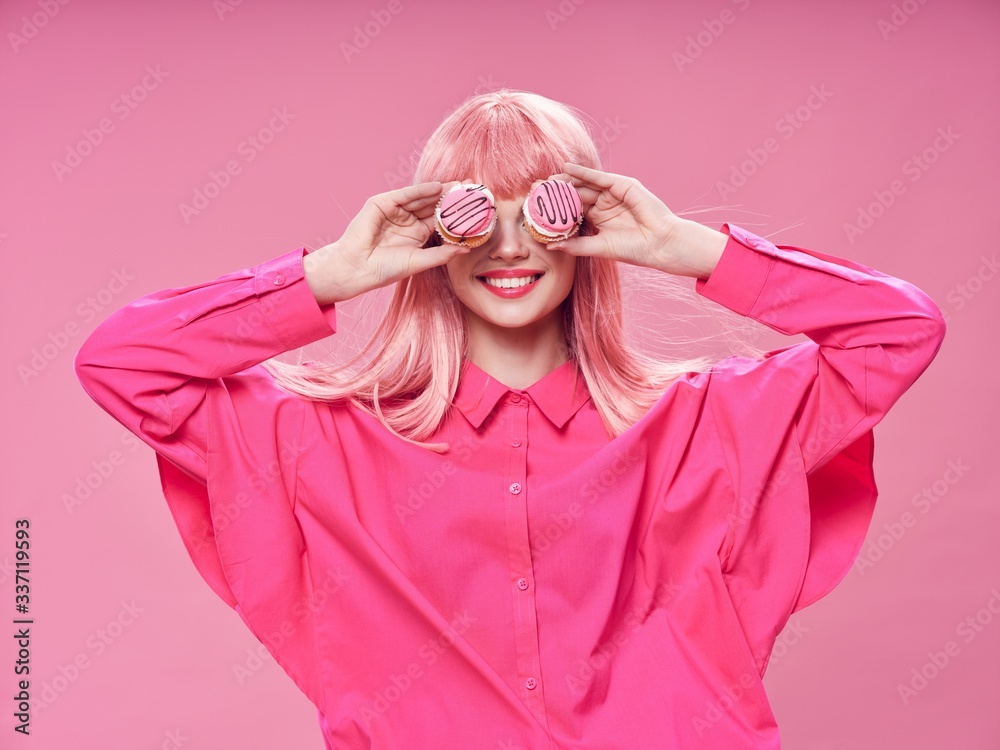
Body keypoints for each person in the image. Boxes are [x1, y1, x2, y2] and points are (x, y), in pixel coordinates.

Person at [74, 89, 946, 748]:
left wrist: (687, 248)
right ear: (434, 238)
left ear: (585, 224)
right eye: (473, 213)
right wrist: (330, 273)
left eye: (545, 207)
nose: (511, 243)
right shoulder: (321, 441)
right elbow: (120, 363)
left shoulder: (708, 422)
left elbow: (901, 331)